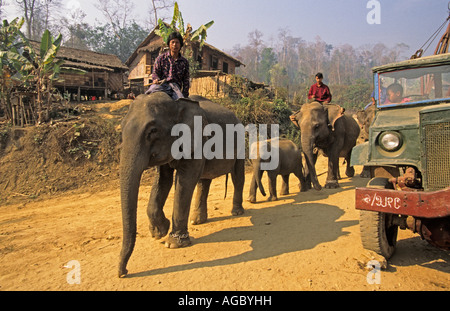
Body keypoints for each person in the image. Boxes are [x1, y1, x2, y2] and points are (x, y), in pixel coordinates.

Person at [145, 31, 190, 100]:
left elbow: (186, 80)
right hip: (161, 85)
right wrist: (156, 79)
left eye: (177, 42)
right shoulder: (161, 58)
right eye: (173, 42)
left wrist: (185, 95)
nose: (175, 45)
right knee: (150, 92)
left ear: (180, 45)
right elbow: (155, 73)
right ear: (169, 44)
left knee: (181, 102)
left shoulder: (184, 62)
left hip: (175, 88)